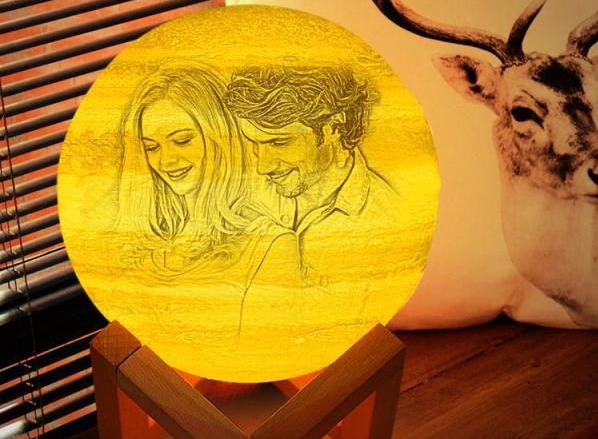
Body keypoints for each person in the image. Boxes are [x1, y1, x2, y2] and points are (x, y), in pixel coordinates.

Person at [222, 64, 400, 325]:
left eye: (279, 142)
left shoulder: (388, 225)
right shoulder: (239, 200)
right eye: (254, 144)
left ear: (333, 128)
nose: (263, 166)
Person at [117, 65, 259, 277]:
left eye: (182, 140)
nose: (166, 160)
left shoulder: (266, 241)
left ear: (219, 136)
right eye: (151, 147)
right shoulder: (148, 242)